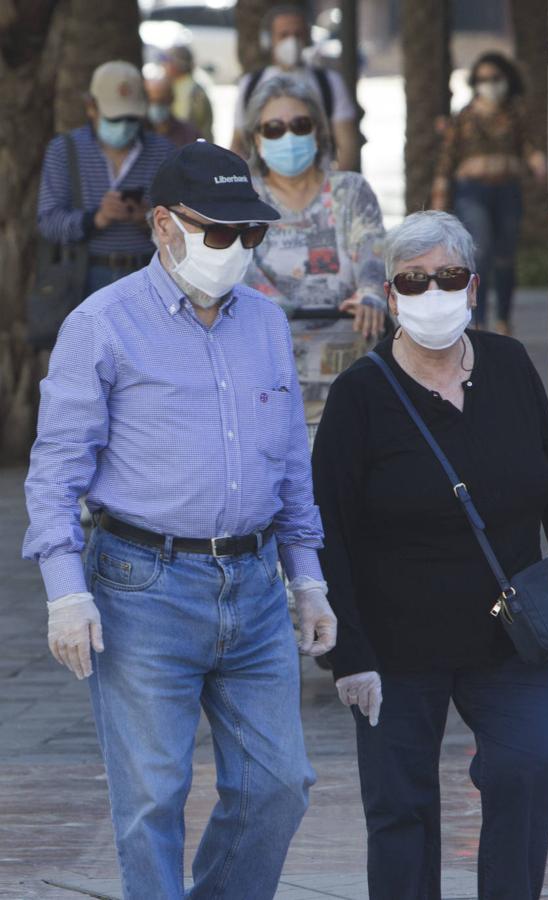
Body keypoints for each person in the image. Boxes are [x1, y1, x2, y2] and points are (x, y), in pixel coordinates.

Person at [23, 142, 337, 900]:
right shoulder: (102, 325)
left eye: (251, 235)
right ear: (163, 225)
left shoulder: (264, 323)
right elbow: (55, 472)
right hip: (142, 587)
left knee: (279, 786)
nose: (236, 250)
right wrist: (66, 593)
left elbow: (291, 462)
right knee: (151, 801)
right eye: (219, 232)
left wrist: (310, 581)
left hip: (255, 589)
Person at [311, 210, 548, 900]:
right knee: (401, 809)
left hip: (508, 634)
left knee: (527, 770)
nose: (432, 291)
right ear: (392, 293)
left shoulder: (510, 366)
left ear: (472, 285)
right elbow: (328, 531)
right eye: (413, 279)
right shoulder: (359, 396)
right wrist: (349, 656)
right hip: (395, 646)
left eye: (447, 276)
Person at [242, 75, 385, 420]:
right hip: (269, 389)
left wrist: (370, 291)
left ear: (318, 132)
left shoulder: (349, 192)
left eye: (300, 125)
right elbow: (237, 269)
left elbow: (372, 249)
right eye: (274, 128)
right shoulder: (243, 200)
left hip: (349, 389)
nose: (288, 136)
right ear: (257, 139)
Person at [430, 52, 547, 335]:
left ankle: (503, 319)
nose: (489, 84)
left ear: (506, 79)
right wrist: (440, 195)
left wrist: (538, 163)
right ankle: (478, 319)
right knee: (479, 251)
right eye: (483, 79)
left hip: (507, 189)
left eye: (495, 78)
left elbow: (529, 146)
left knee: (506, 255)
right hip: (473, 192)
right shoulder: (464, 117)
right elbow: (447, 159)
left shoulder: (516, 114)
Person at [37, 60, 174, 297]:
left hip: (149, 275)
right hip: (84, 277)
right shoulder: (64, 151)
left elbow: (183, 223)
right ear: (91, 107)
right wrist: (95, 219)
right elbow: (48, 221)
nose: (123, 127)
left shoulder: (164, 152)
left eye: (131, 119)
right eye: (114, 118)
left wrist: (149, 219)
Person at [231, 4, 359, 171]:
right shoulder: (250, 84)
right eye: (284, 35)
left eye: (298, 34)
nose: (292, 41)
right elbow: (238, 143)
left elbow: (347, 145)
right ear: (268, 40)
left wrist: (333, 190)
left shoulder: (329, 82)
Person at [162, 44, 214, 142]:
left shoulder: (192, 91)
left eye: (166, 60)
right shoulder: (175, 85)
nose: (163, 64)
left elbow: (184, 123)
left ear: (177, 64)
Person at [145, 73, 200, 146]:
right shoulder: (139, 133)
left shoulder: (189, 134)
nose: (156, 106)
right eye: (151, 101)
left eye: (162, 101)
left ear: (172, 98)